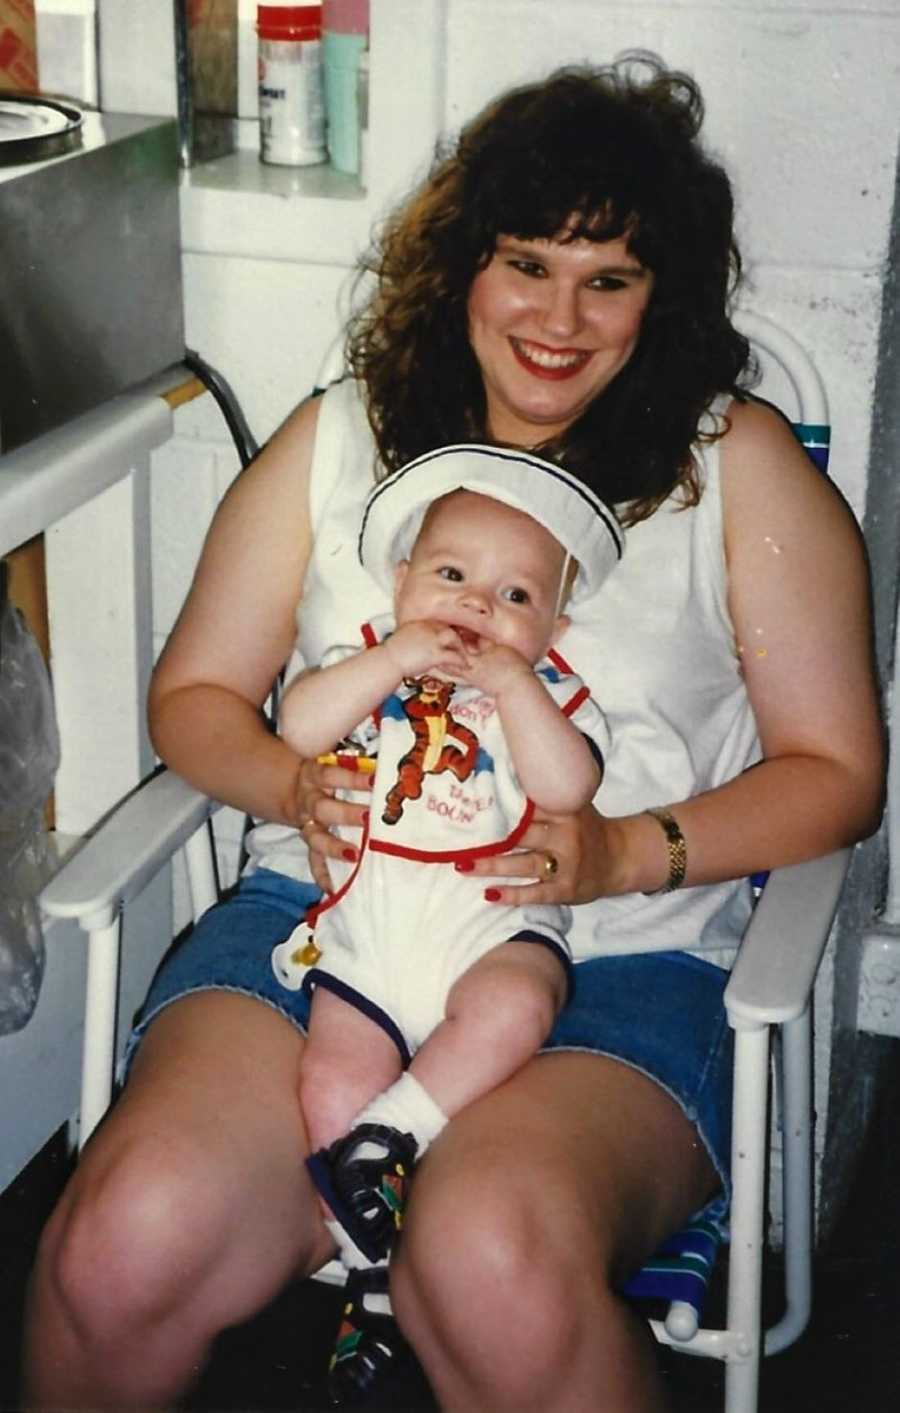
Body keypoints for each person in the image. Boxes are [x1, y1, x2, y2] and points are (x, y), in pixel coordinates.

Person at [23, 52, 883, 1413]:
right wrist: (291, 781)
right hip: (327, 923)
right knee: (121, 1241)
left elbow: (837, 774)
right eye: (526, 262)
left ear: (662, 301)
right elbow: (195, 698)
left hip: (616, 964)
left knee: (485, 1258)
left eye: (610, 277)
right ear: (462, 265)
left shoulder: (739, 470)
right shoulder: (341, 439)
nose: (560, 316)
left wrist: (622, 853)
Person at [273, 446, 619, 1396]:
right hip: (372, 934)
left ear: (553, 624)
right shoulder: (363, 669)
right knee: (330, 1072)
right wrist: (391, 656)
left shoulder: (540, 700)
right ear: (400, 581)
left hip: (486, 929)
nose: (475, 607)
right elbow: (299, 727)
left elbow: (571, 786)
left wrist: (515, 688)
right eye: (452, 575)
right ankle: (372, 1278)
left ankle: (391, 1133)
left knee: (517, 1005)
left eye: (515, 596)